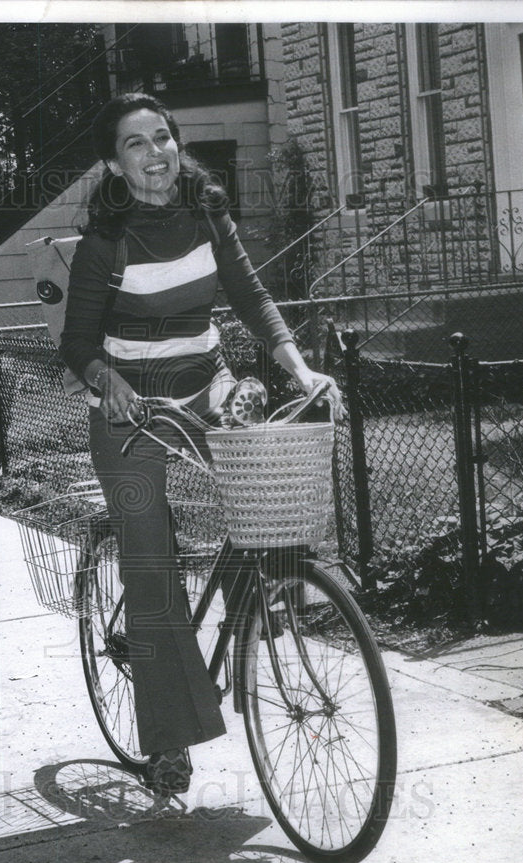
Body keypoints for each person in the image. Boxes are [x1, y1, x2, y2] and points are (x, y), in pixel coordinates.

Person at [61, 93, 342, 797]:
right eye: (136, 144)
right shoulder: (106, 240)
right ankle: (166, 745)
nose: (156, 153)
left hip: (204, 380)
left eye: (164, 136)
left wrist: (299, 366)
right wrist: (108, 380)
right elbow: (77, 343)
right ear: (114, 164)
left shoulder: (207, 211)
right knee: (152, 568)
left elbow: (251, 296)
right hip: (128, 407)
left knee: (264, 482)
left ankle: (269, 595)